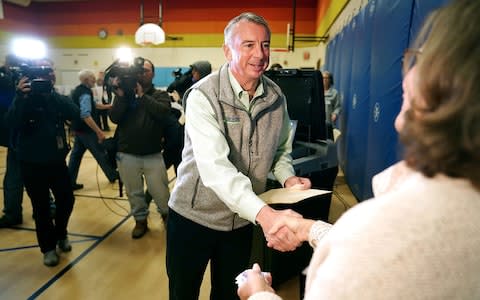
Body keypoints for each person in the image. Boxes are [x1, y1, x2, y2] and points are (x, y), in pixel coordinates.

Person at [238, 0, 480, 299]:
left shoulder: (380, 230)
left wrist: (258, 293)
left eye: (424, 59)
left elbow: (369, 248)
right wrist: (309, 229)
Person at [166, 12, 311, 300]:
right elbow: (216, 170)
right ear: (227, 50)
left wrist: (288, 178)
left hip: (242, 221)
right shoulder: (203, 96)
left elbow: (281, 149)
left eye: (265, 45)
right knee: (183, 293)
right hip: (193, 218)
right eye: (248, 45)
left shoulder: (276, 97)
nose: (259, 54)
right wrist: (266, 215)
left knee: (229, 295)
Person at [5, 59, 80, 267]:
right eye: (40, 71)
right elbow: (10, 122)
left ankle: (61, 232)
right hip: (30, 162)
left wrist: (51, 93)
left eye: (49, 70)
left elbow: (74, 113)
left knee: (67, 200)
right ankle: (48, 248)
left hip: (56, 160)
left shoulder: (55, 97)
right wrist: (21, 96)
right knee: (41, 207)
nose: (45, 75)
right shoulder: (23, 97)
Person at [109, 58, 171, 239]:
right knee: (134, 193)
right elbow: (114, 118)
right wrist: (121, 97)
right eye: (140, 71)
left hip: (152, 154)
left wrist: (142, 96)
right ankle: (140, 221)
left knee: (161, 192)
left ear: (153, 74)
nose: (142, 73)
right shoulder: (123, 96)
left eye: (146, 70)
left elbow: (163, 112)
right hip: (126, 153)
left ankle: (168, 220)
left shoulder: (160, 95)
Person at [67, 69, 118, 190]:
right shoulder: (85, 93)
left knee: (75, 157)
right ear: (86, 80)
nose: (95, 80)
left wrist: (107, 106)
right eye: (92, 78)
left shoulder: (78, 90)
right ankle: (112, 175)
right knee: (100, 153)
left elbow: (93, 105)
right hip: (87, 131)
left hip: (79, 130)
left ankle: (69, 182)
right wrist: (99, 131)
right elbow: (85, 114)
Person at [0, 54, 25, 228]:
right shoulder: (5, 82)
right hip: (15, 136)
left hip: (21, 136)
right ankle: (12, 212)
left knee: (14, 178)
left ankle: (12, 212)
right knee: (14, 177)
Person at [322, 70, 340, 140]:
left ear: (330, 80)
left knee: (329, 142)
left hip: (329, 123)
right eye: (323, 78)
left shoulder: (334, 93)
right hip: (319, 123)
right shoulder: (317, 91)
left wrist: (335, 114)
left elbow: (338, 107)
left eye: (327, 78)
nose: (325, 80)